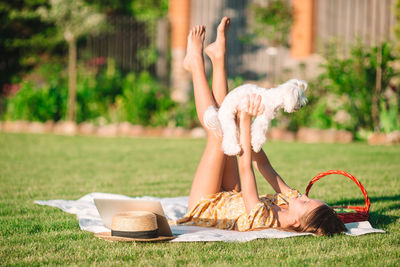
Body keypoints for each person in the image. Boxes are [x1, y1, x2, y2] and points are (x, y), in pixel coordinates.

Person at [177, 17, 346, 236]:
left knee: (218, 133)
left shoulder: (263, 218)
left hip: (205, 208)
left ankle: (195, 64)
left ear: (297, 223)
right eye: (309, 198)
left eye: (306, 203)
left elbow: (246, 167)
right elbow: (264, 166)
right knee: (229, 121)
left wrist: (245, 119)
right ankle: (218, 58)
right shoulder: (291, 201)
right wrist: (243, 126)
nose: (304, 197)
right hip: (230, 193)